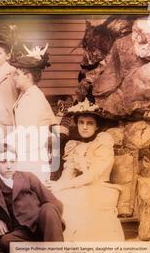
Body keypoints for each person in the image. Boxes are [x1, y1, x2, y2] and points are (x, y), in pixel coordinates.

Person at [45, 99, 125, 241]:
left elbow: (92, 176)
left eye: (89, 123)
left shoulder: (103, 141)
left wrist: (63, 185)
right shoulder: (74, 145)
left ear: (97, 127)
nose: (85, 127)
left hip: (101, 188)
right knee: (56, 197)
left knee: (73, 201)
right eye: (81, 122)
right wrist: (56, 187)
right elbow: (68, 174)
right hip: (81, 187)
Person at [0, 144, 64, 253]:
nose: (9, 166)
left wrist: (51, 221)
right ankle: (44, 252)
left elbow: (54, 202)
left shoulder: (28, 177)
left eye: (12, 161)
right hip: (20, 233)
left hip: (41, 225)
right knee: (5, 241)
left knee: (48, 207)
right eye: (3, 162)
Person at [7, 43, 59, 182]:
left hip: (32, 158)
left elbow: (28, 131)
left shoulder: (34, 97)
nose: (14, 77)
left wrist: (7, 143)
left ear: (28, 76)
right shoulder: (26, 94)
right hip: (26, 154)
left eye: (17, 74)